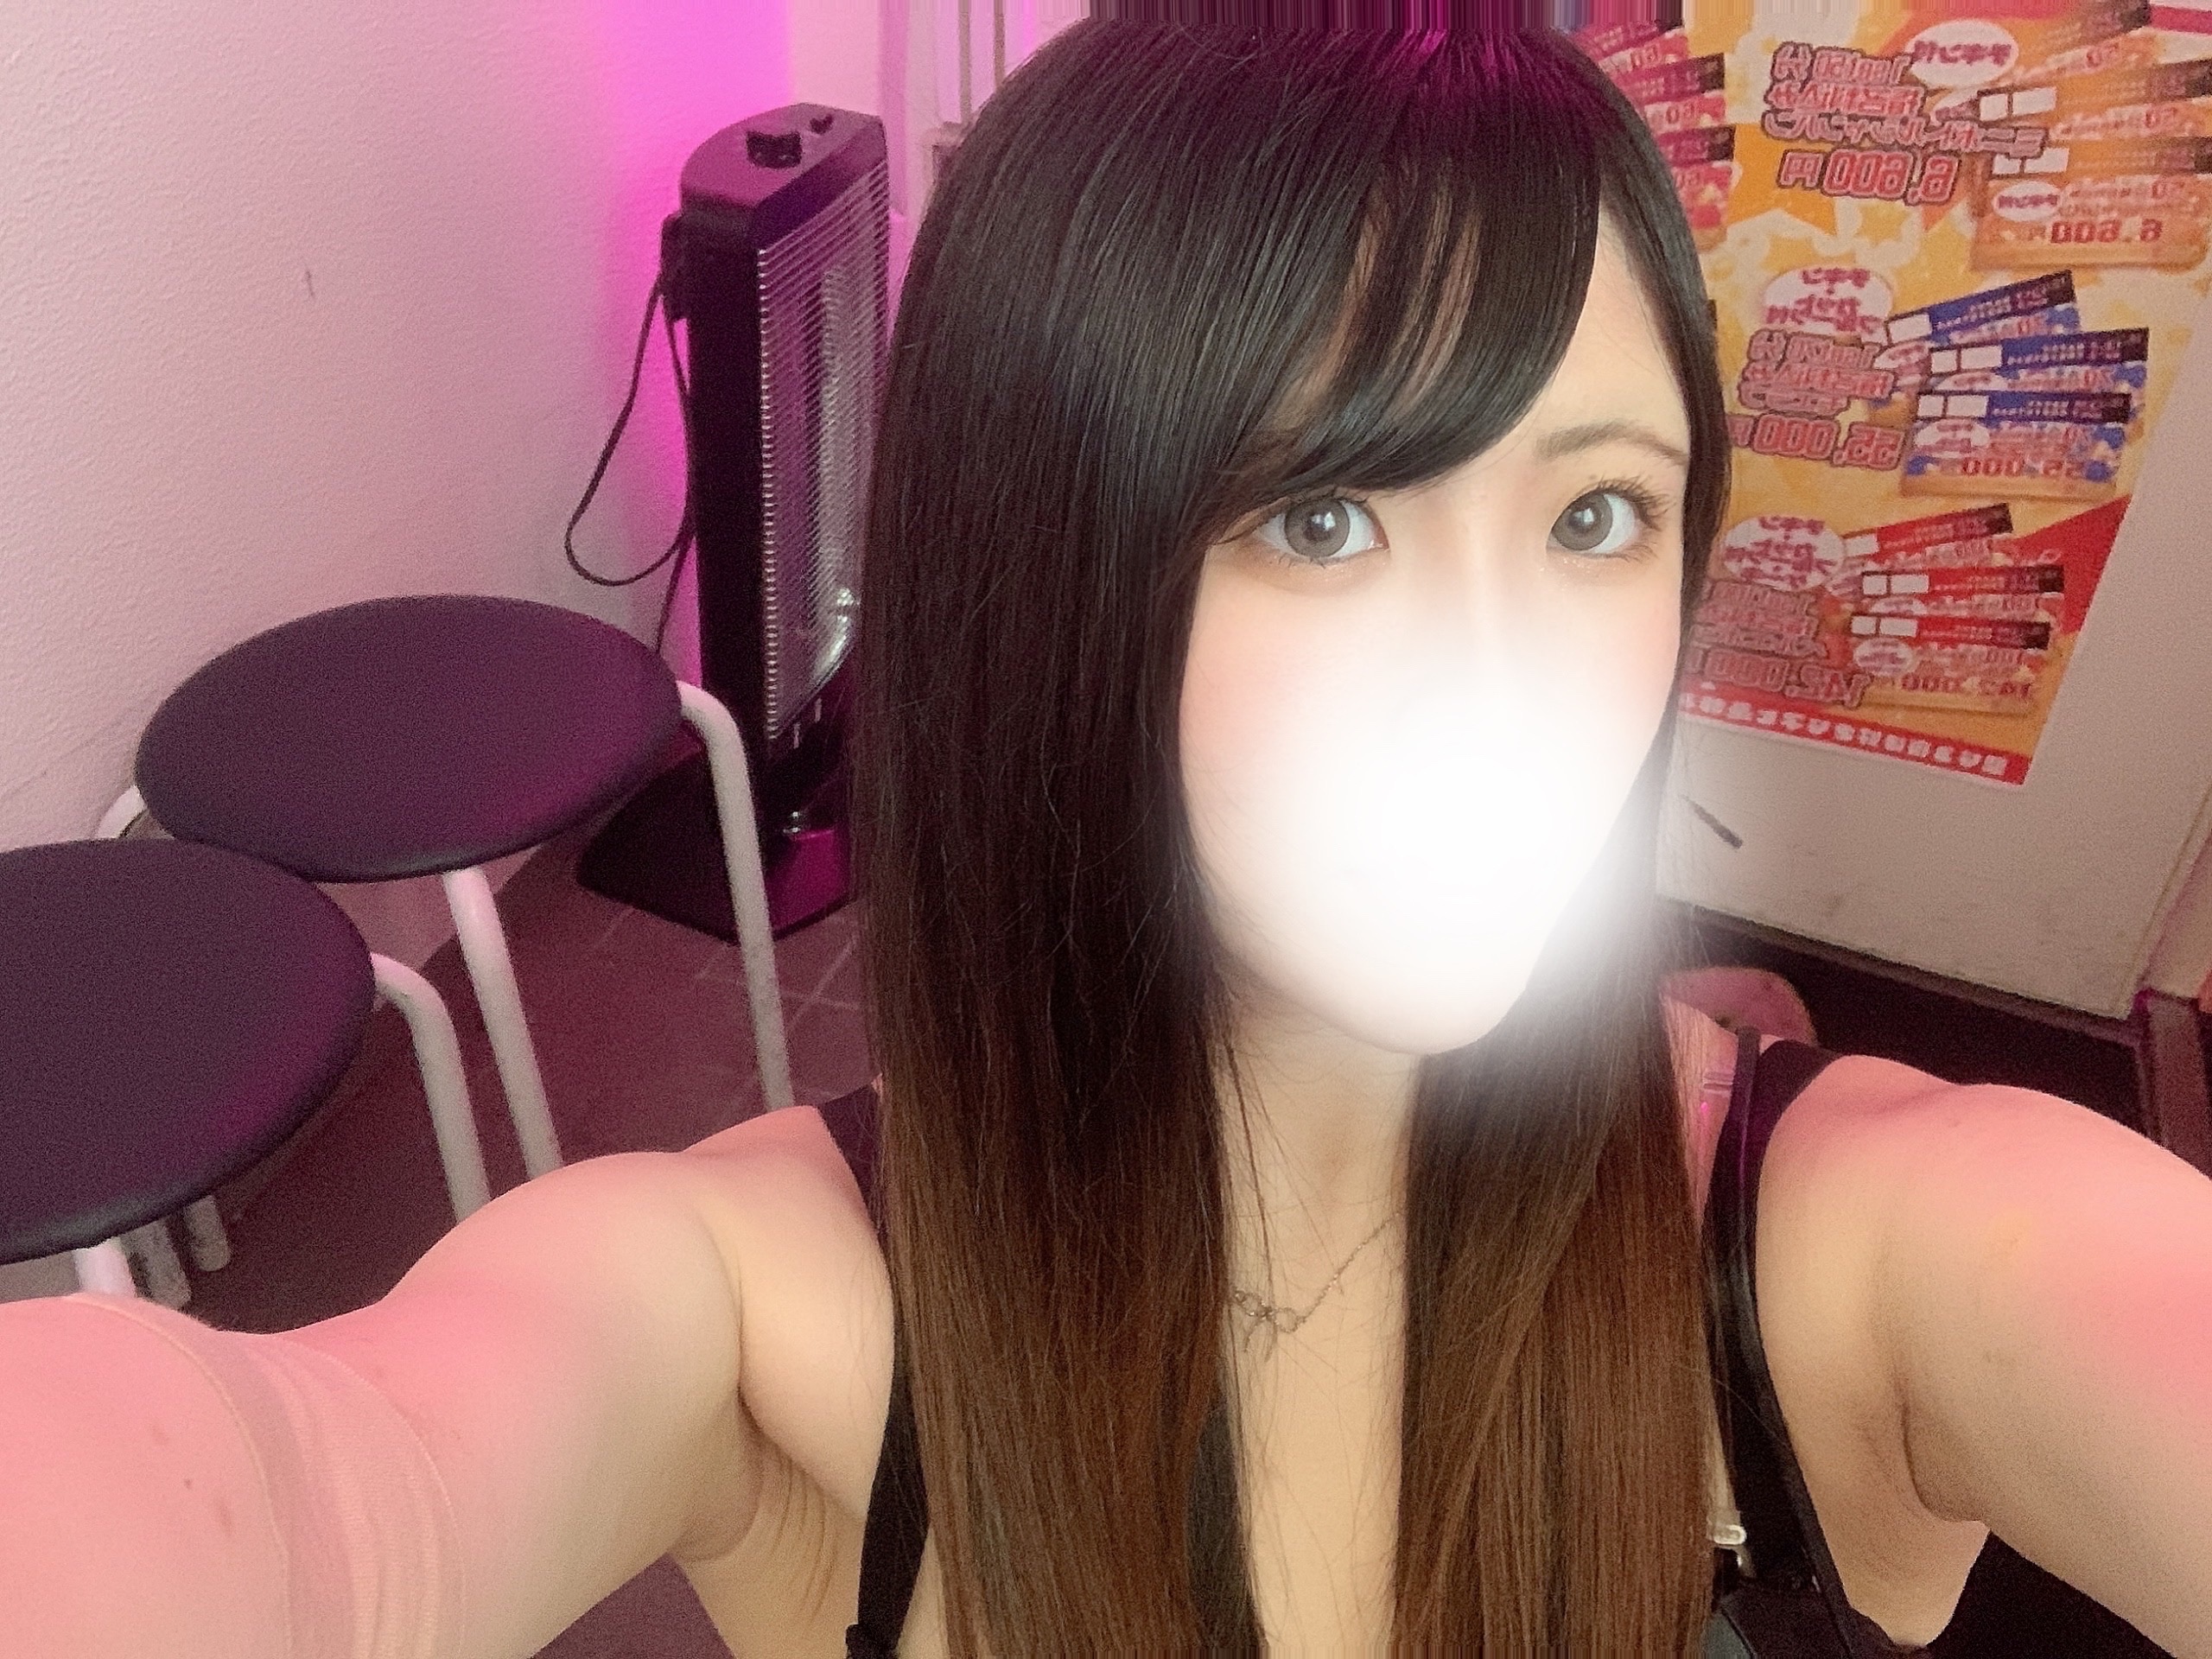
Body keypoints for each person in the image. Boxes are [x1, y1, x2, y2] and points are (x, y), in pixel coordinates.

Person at [3, 21, 2209, 1659]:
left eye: (1593, 516)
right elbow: (312, 1505)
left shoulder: (1866, 1260)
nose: (1509, 676)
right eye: (1324, 519)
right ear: (1046, 586)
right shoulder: (765, 1314)